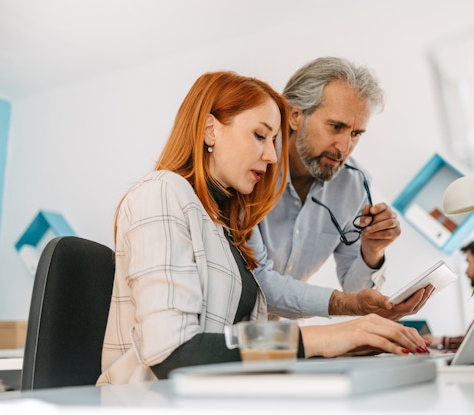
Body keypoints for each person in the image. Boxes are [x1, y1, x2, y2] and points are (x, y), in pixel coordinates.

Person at [97, 71, 429, 385]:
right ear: (210, 130)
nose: (272, 156)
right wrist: (320, 339)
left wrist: (347, 343)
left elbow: (240, 335)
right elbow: (174, 352)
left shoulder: (227, 219)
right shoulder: (162, 192)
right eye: (260, 136)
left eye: (274, 140)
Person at [249, 56, 434, 320]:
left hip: (275, 337)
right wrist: (348, 304)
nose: (345, 148)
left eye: (356, 134)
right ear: (294, 115)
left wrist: (372, 251)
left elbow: (356, 290)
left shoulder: (354, 184)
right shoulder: (252, 168)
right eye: (337, 127)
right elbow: (260, 286)